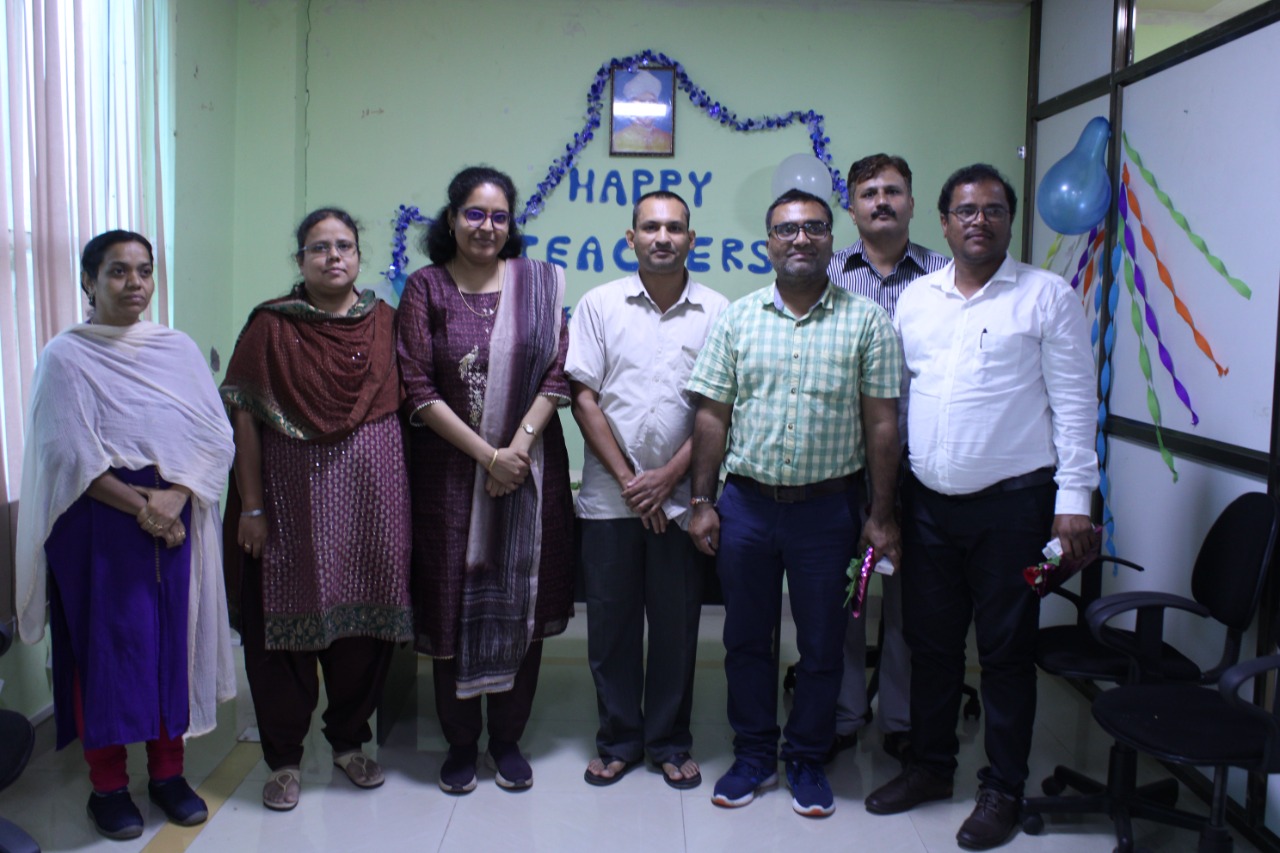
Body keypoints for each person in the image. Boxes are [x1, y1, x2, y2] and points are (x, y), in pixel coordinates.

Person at [864, 164, 1098, 850]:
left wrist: (1074, 499)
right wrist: (887, 503)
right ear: (943, 223)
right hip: (928, 506)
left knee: (1005, 653)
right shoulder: (917, 299)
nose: (979, 221)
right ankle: (930, 767)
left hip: (1015, 511)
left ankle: (1002, 788)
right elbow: (897, 400)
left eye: (993, 210)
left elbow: (1075, 404)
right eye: (965, 211)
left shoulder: (1046, 296)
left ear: (1009, 221)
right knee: (931, 646)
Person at [685, 189, 904, 818]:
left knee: (824, 644)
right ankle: (754, 754)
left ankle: (806, 756)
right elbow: (712, 417)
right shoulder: (738, 319)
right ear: (769, 243)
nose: (800, 239)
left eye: (813, 228)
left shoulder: (867, 322)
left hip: (828, 513)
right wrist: (701, 501)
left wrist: (880, 516)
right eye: (786, 229)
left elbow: (882, 425)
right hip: (747, 508)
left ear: (832, 239)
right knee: (746, 640)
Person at [15, 230, 236, 839]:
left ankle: (168, 775)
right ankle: (107, 786)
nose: (134, 282)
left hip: (176, 513)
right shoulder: (66, 355)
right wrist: (146, 508)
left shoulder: (176, 349)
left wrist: (177, 496)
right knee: (106, 652)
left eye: (144, 270)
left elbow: (213, 436)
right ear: (89, 282)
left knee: (171, 643)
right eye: (118, 271)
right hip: (96, 520)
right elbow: (68, 453)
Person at [221, 208, 413, 812]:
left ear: (358, 255)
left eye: (345, 246)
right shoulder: (271, 327)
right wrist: (252, 508)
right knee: (282, 631)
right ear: (300, 259)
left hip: (372, 505)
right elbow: (245, 418)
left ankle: (350, 743)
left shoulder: (386, 323)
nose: (334, 257)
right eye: (320, 248)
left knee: (365, 630)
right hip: (290, 507)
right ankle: (283, 758)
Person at [396, 166, 574, 795]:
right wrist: (486, 456)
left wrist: (514, 451)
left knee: (522, 597)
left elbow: (559, 370)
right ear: (451, 220)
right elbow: (416, 384)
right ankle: (460, 743)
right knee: (452, 604)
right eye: (474, 213)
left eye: (499, 216)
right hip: (449, 478)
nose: (487, 227)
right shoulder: (426, 288)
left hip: (530, 471)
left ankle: (506, 740)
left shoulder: (538, 285)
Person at [566, 191, 728, 789]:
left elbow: (718, 407)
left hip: (683, 502)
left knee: (676, 629)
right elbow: (584, 398)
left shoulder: (717, 310)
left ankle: (667, 741)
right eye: (651, 227)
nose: (663, 237)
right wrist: (634, 484)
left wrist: (666, 481)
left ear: (691, 239)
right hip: (611, 501)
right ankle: (617, 740)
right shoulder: (599, 304)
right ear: (630, 237)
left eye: (675, 228)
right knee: (610, 630)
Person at [825, 154, 949, 763]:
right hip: (844, 464)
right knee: (845, 596)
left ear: (912, 203)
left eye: (893, 191)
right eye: (869, 192)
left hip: (925, 464)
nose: (881, 201)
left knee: (913, 603)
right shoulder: (824, 274)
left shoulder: (947, 276)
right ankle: (844, 713)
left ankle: (900, 718)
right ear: (851, 208)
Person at [611, 69, 674, 155]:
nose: (648, 107)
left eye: (652, 102)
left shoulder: (667, 139)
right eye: (642, 102)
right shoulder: (618, 139)